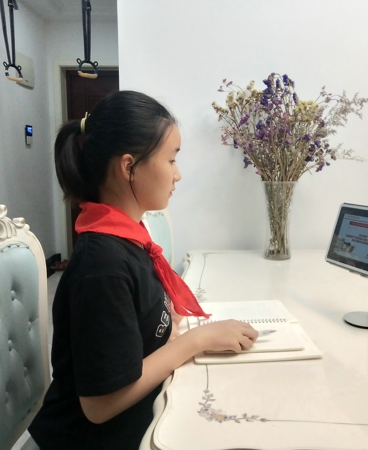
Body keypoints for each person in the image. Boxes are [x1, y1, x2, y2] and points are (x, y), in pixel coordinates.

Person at [28, 90, 259, 450]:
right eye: (171, 160)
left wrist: (177, 328)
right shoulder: (101, 266)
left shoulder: (129, 239)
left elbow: (140, 327)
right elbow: (99, 407)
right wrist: (198, 340)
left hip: (143, 415)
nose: (177, 174)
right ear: (129, 166)